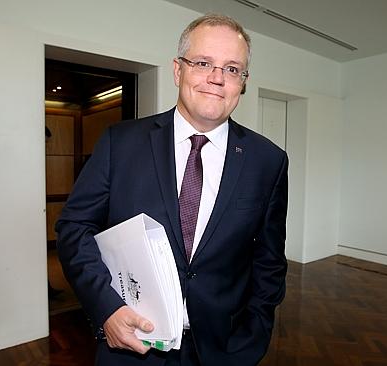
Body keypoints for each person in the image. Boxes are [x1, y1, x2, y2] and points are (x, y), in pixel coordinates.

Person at [56, 13, 288, 366]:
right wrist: (107, 308)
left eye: (231, 69)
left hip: (223, 349)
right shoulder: (121, 143)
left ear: (242, 82)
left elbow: (269, 261)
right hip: (131, 343)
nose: (216, 78)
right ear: (178, 70)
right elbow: (74, 229)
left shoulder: (268, 161)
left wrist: (253, 338)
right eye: (203, 62)